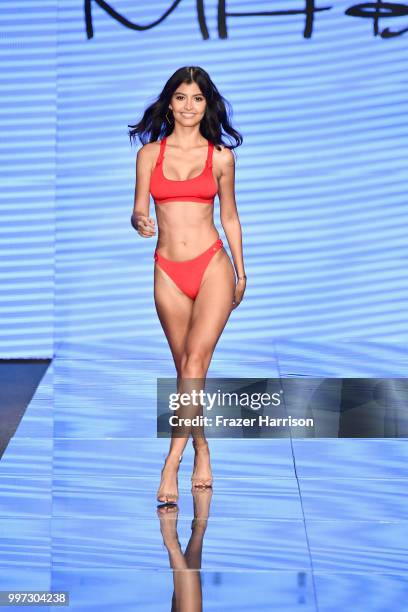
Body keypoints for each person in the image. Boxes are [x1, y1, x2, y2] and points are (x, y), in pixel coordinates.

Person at [128, 66, 245, 504]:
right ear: (169, 102)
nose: (189, 106)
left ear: (207, 103)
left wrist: (242, 269)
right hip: (167, 271)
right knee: (186, 372)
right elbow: (139, 207)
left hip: (213, 264)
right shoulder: (148, 155)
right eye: (181, 98)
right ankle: (201, 446)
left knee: (194, 363)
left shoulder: (220, 158)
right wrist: (140, 220)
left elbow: (230, 215)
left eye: (197, 98)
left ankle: (170, 463)